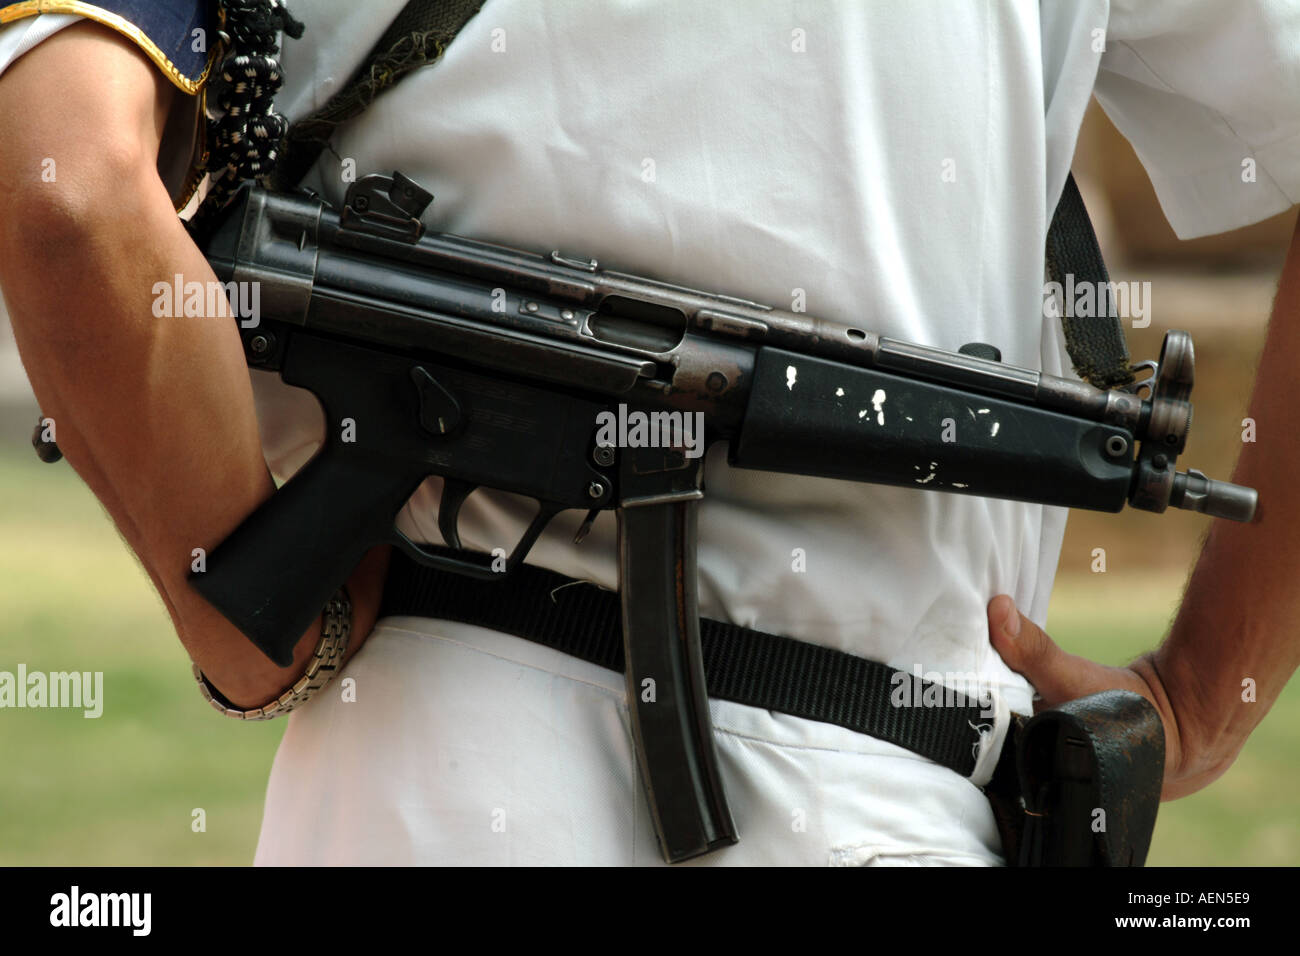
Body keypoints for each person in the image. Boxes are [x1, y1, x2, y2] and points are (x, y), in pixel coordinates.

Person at [1, 0, 1296, 865]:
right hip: (890, 789)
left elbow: (64, 181)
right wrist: (1198, 695)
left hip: (421, 787)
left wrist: (251, 619)